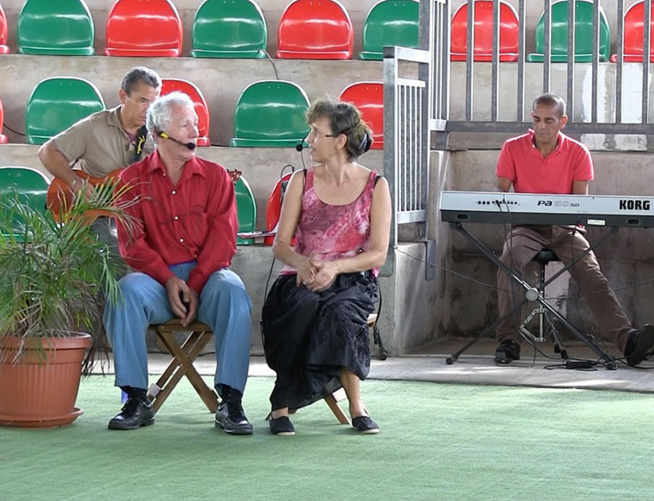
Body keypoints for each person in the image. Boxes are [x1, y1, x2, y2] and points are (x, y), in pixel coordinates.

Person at [103, 92, 254, 434]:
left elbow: (223, 240)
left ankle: (231, 400)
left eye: (196, 125)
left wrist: (196, 284)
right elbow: (132, 245)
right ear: (159, 135)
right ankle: (135, 398)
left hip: (208, 278)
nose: (194, 132)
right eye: (185, 125)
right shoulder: (130, 180)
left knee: (233, 291)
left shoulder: (216, 177)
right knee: (124, 292)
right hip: (156, 281)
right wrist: (168, 280)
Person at [493, 93, 654, 366]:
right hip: (526, 227)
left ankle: (628, 341)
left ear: (563, 122)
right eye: (536, 119)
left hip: (566, 229)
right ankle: (508, 340)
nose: (541, 126)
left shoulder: (578, 152)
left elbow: (580, 203)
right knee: (509, 259)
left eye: (548, 120)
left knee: (591, 272)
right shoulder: (512, 148)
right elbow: (499, 193)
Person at [261, 98, 391, 436]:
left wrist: (336, 268)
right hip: (302, 277)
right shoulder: (300, 182)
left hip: (353, 281)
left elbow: (378, 254)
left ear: (340, 141)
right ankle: (282, 404)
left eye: (317, 133)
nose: (310, 141)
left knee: (340, 313)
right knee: (303, 306)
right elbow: (281, 245)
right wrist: (303, 263)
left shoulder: (376, 186)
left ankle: (356, 405)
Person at [38, 66, 161, 251]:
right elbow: (47, 152)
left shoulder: (161, 134)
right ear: (122, 96)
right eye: (142, 101)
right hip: (98, 217)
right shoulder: (94, 126)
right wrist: (75, 182)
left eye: (154, 102)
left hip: (142, 214)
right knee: (113, 241)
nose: (149, 109)